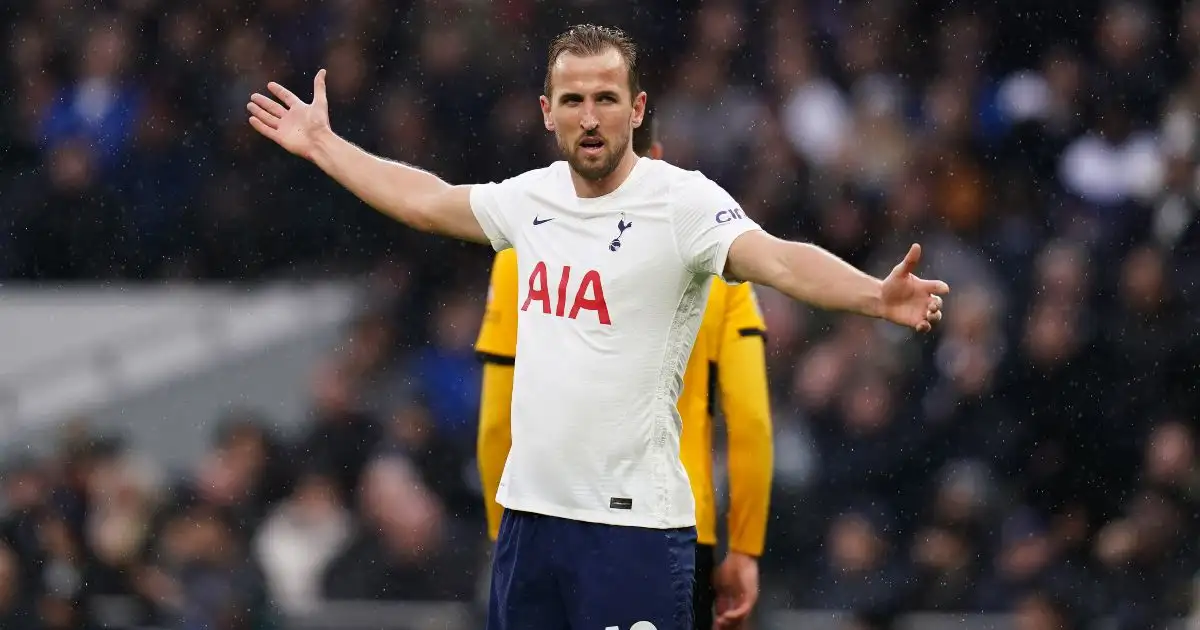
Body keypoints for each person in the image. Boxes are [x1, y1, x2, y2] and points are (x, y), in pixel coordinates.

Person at [247, 23, 948, 630]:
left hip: (633, 531)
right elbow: (428, 201)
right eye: (575, 101)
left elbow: (777, 260)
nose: (590, 117)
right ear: (547, 112)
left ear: (636, 109)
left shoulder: (683, 203)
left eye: (606, 99)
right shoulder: (533, 198)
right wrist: (325, 147)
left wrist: (871, 296)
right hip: (529, 524)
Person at [474, 107, 774, 630]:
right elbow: (749, 419)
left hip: (542, 517)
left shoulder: (520, 254)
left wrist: (506, 535)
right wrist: (745, 546)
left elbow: (497, 420)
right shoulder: (715, 264)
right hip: (668, 523)